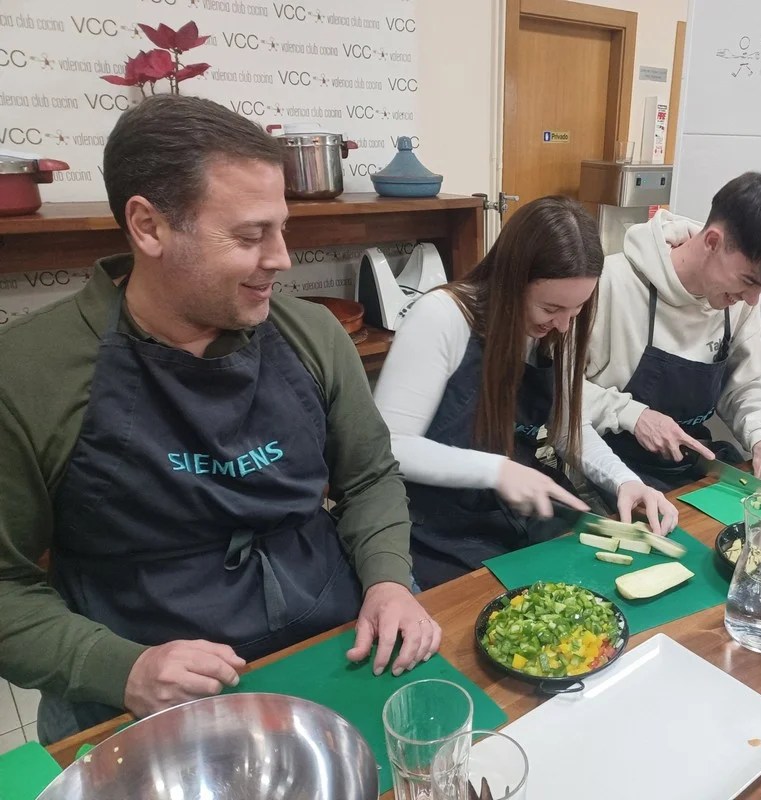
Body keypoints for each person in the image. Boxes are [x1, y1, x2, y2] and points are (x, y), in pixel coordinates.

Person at [0, 95, 440, 745]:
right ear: (149, 227)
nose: (282, 258)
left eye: (281, 228)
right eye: (249, 235)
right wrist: (120, 669)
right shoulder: (30, 374)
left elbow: (369, 476)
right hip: (148, 701)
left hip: (334, 648)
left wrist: (387, 580)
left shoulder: (313, 335)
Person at [373, 196, 678, 590]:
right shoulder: (442, 316)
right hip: (438, 531)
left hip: (516, 519)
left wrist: (625, 481)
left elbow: (569, 426)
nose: (565, 325)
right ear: (512, 279)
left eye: (578, 309)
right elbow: (391, 447)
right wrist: (497, 471)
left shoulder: (558, 327)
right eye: (551, 307)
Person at [583, 172, 761, 491]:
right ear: (713, 242)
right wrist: (633, 415)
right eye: (748, 281)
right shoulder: (610, 284)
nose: (751, 299)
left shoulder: (740, 301)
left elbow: (748, 383)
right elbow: (559, 393)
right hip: (611, 468)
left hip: (693, 463)